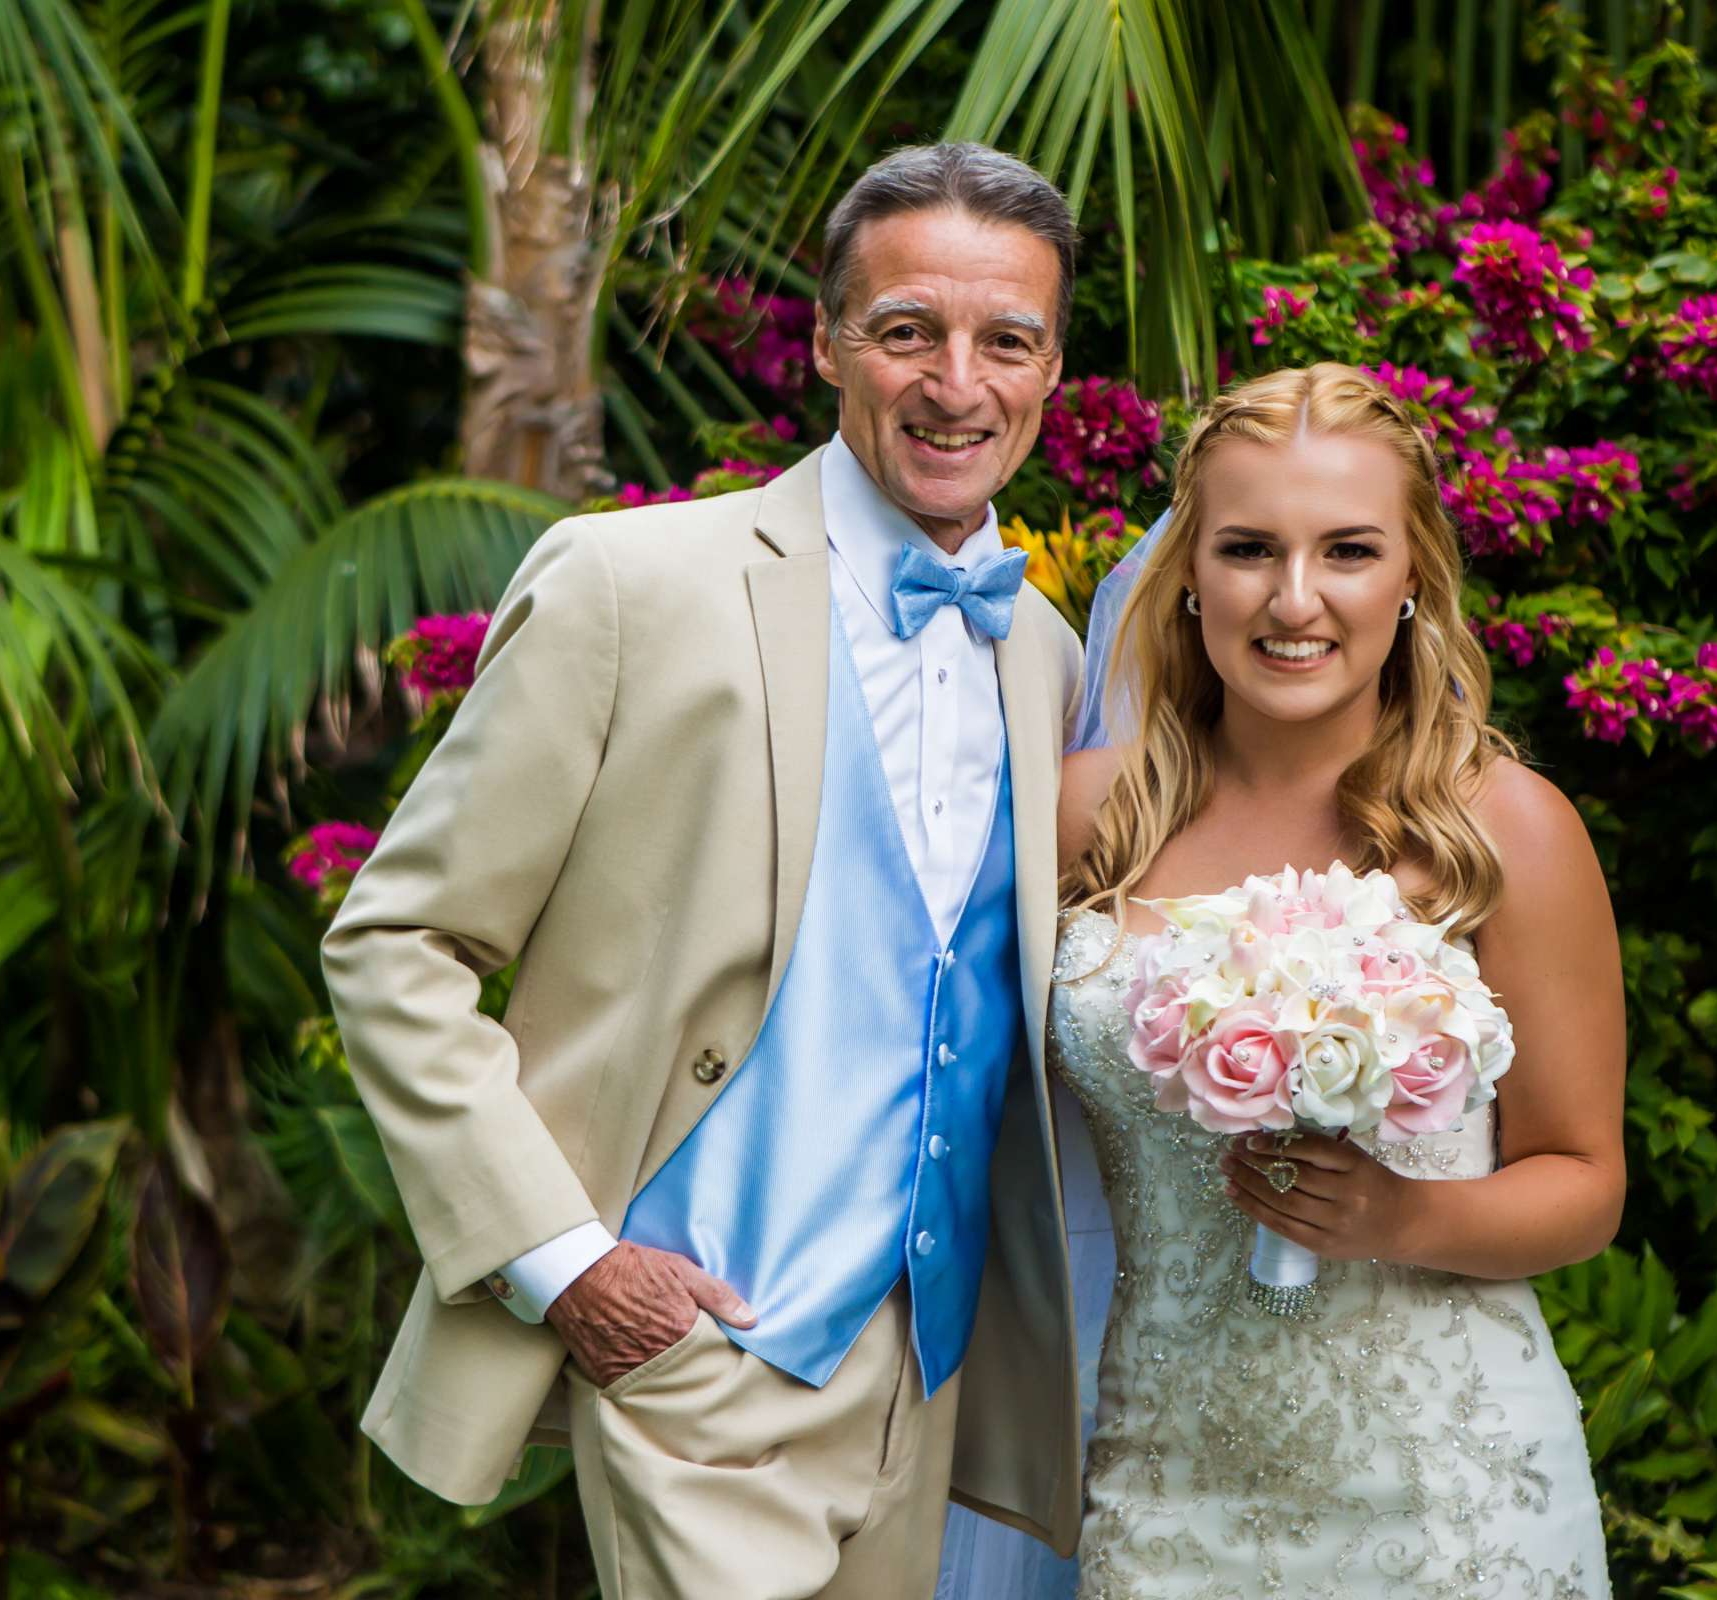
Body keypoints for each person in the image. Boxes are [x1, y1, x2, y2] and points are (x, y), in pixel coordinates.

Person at [319, 142, 1090, 1600]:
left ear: (1052, 370)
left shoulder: (1040, 653)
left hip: (929, 1374)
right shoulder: (633, 587)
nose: (956, 384)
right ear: (826, 342)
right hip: (700, 1354)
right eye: (907, 331)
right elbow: (394, 945)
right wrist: (566, 1262)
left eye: (1008, 341)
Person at [1049, 363, 1621, 1595]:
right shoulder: (1085, 819)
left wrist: (1406, 1217)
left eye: (1348, 551)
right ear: (1187, 575)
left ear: (1412, 576)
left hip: (1450, 1496)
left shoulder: (1506, 829)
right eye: (1248, 548)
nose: (1292, 599)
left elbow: (1586, 1181)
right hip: (1166, 1482)